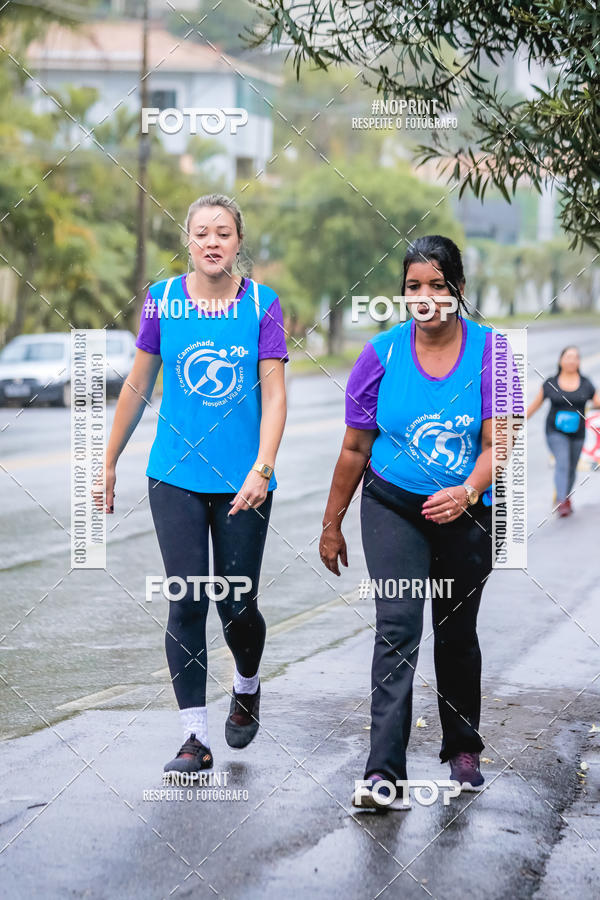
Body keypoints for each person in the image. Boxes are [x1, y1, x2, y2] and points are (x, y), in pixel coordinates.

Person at [319, 235, 519, 811]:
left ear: (459, 290)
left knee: (456, 634)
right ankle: (383, 773)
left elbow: (497, 442)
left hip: (468, 511)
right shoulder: (378, 355)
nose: (425, 298)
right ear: (402, 294)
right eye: (413, 288)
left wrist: (468, 490)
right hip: (393, 506)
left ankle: (463, 750)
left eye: (438, 286)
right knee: (398, 628)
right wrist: (331, 524)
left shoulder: (494, 354)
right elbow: (355, 449)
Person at [100, 193, 288, 778]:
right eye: (202, 232)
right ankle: (193, 738)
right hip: (173, 475)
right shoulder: (161, 301)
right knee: (187, 599)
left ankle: (248, 684)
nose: (213, 241)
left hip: (243, 482)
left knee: (237, 604)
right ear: (188, 240)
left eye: (224, 232)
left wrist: (262, 467)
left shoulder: (262, 303)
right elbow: (136, 387)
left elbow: (276, 394)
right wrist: (107, 461)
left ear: (238, 242)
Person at [527, 346, 599, 517]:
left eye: (575, 357)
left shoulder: (586, 383)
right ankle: (562, 501)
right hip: (554, 431)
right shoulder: (550, 383)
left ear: (579, 361)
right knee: (563, 462)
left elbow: (597, 401)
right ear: (560, 360)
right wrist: (515, 424)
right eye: (568, 357)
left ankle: (564, 495)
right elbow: (534, 406)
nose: (571, 360)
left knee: (571, 468)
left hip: (578, 433)